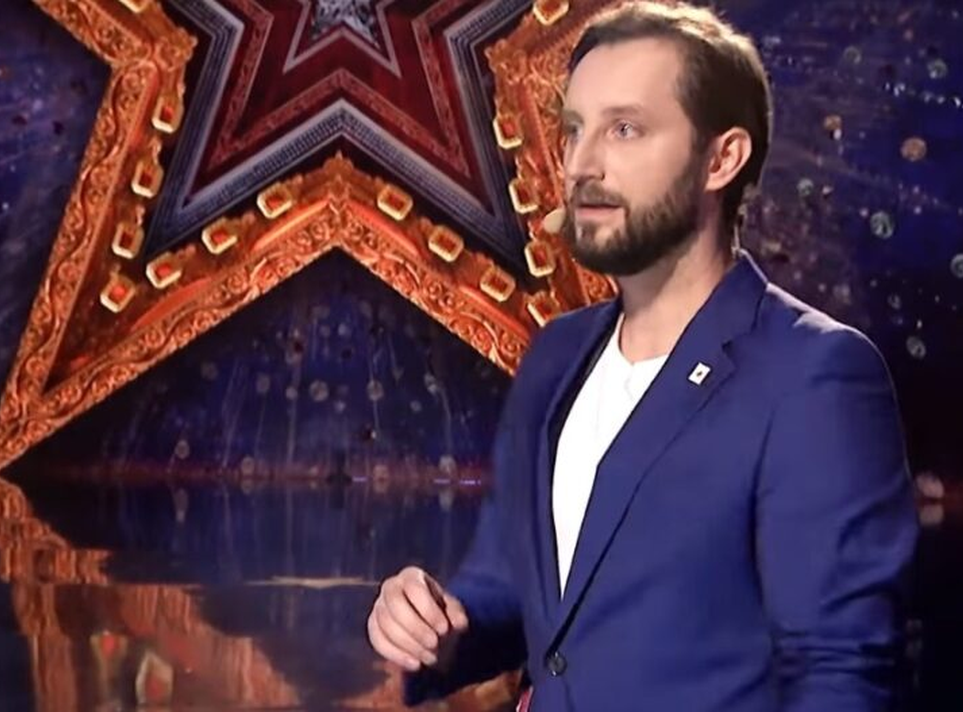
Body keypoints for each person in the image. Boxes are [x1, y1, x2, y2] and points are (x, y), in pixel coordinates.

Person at [366, 3, 918, 710]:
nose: (580, 164)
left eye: (624, 129)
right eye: (574, 129)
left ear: (722, 158)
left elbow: (839, 674)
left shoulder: (816, 375)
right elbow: (519, 596)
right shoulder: (557, 354)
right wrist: (437, 626)